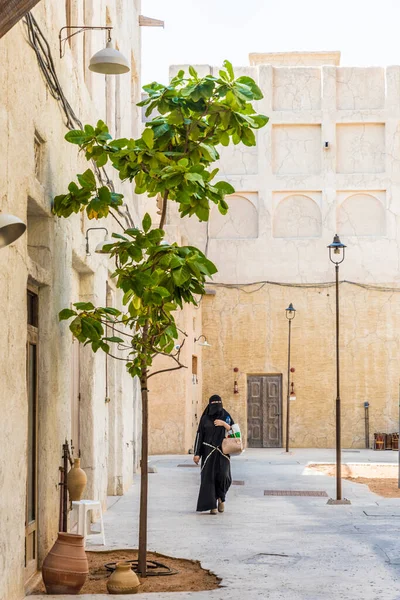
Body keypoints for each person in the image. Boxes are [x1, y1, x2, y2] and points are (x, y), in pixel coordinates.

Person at [193, 394, 235, 514]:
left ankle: (221, 498)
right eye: (214, 404)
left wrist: (224, 424)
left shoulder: (226, 416)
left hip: (223, 453)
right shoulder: (205, 418)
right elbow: (200, 436)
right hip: (208, 453)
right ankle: (212, 506)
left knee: (224, 477)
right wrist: (197, 453)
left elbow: (235, 433)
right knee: (209, 479)